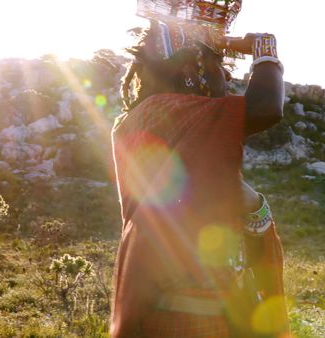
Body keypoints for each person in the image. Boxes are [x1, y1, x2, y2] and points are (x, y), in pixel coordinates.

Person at [110, 10, 288, 338]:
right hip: (183, 324)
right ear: (193, 70)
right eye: (220, 64)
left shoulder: (155, 119)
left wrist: (254, 208)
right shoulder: (162, 112)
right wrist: (265, 48)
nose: (226, 77)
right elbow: (266, 107)